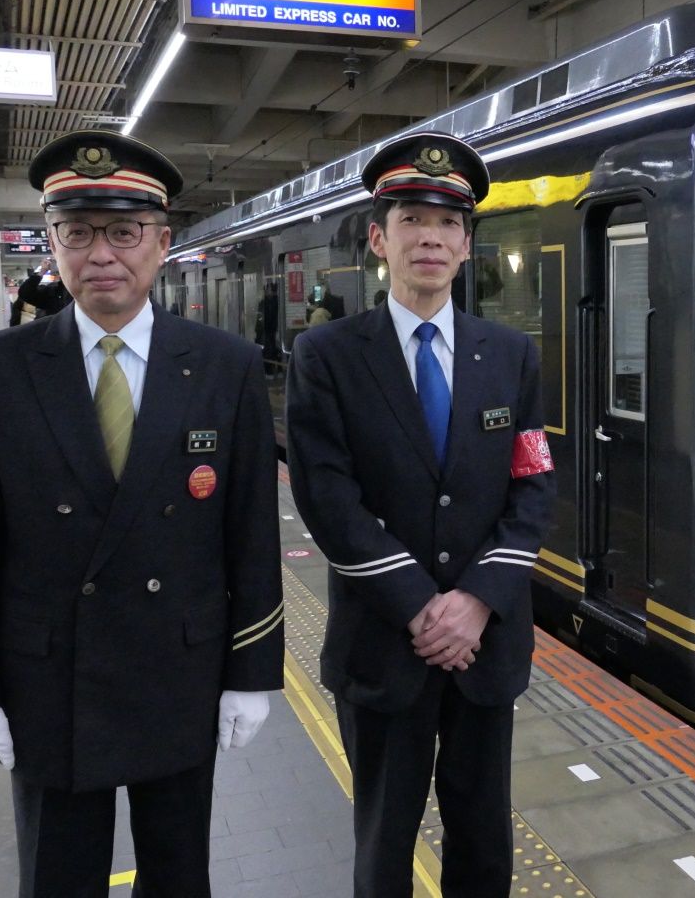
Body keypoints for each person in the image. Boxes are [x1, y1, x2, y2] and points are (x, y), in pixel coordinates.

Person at [0, 130, 284, 897]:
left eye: (124, 232)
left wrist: (251, 674)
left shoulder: (223, 366)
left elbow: (252, 535)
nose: (101, 254)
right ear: (52, 246)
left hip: (180, 674)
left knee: (177, 876)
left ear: (161, 245)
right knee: (59, 879)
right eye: (77, 232)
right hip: (50, 682)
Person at [285, 132, 555, 897]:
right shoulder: (328, 355)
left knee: (483, 839)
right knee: (383, 843)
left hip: (486, 646)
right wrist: (422, 608)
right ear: (379, 239)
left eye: (447, 224)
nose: (430, 237)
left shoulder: (512, 356)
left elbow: (533, 485)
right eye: (411, 220)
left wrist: (474, 603)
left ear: (468, 245)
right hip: (382, 646)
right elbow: (327, 497)